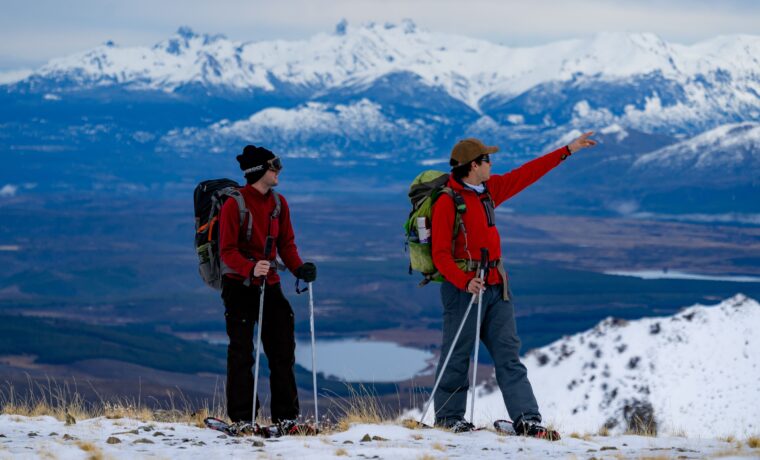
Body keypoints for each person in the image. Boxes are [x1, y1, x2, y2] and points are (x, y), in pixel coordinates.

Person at [430, 132, 597, 437]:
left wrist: (568, 150)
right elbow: (440, 255)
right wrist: (465, 282)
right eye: (487, 160)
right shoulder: (447, 201)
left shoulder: (487, 191)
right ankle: (449, 418)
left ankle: (528, 419)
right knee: (457, 355)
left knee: (509, 355)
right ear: (472, 165)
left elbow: (527, 174)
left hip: (496, 285)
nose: (492, 164)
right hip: (463, 290)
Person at [218, 144, 317, 433]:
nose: (278, 172)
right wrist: (250, 267)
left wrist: (299, 268)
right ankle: (243, 419)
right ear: (260, 171)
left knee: (282, 351)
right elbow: (227, 251)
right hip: (239, 285)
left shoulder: (279, 204)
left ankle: (286, 418)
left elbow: (286, 244)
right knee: (242, 353)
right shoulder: (233, 205)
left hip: (269, 284)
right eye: (275, 167)